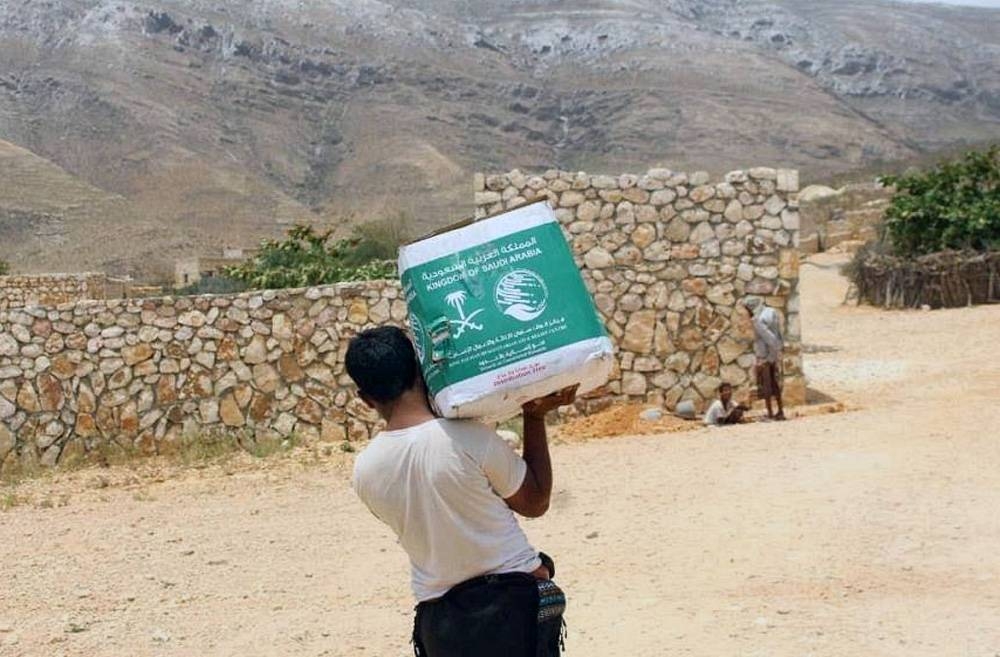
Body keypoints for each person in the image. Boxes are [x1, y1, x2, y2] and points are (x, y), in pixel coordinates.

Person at [346, 326, 572, 657]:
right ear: (421, 369)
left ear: (365, 399)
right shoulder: (467, 438)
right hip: (515, 613)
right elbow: (535, 501)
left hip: (442, 627)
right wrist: (534, 416)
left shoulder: (364, 470)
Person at [742, 296, 785, 420]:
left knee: (766, 384)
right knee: (774, 383)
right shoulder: (771, 312)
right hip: (773, 353)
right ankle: (780, 411)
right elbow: (778, 334)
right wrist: (778, 350)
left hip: (766, 355)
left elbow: (770, 338)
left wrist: (767, 357)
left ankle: (770, 413)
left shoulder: (758, 320)